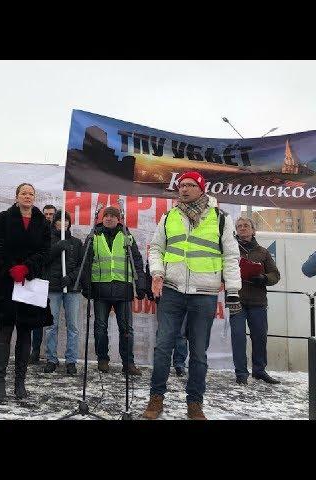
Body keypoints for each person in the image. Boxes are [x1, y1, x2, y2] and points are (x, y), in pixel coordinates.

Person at [143, 171, 241, 420]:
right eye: (181, 185)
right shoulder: (169, 216)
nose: (183, 189)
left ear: (201, 188)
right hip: (172, 291)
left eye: (189, 185)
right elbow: (156, 248)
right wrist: (157, 272)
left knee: (198, 353)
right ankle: (156, 400)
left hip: (204, 294)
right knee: (163, 347)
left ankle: (195, 404)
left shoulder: (220, 218)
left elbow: (231, 256)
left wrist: (233, 290)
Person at [0, 183, 53, 403]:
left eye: (31, 194)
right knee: (3, 333)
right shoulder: (4, 219)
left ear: (35, 197)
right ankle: (0, 384)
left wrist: (27, 268)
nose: (27, 196)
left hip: (29, 285)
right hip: (6, 283)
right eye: (24, 193)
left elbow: (44, 252)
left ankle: (20, 384)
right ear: (16, 196)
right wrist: (12, 268)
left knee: (25, 334)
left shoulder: (42, 222)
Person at [81, 205, 146, 376]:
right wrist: (85, 283)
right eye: (106, 215)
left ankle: (128, 363)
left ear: (119, 219)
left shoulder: (126, 236)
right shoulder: (93, 235)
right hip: (100, 289)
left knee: (126, 330)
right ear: (102, 218)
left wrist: (140, 284)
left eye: (112, 216)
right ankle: (103, 360)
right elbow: (85, 262)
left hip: (122, 289)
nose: (109, 218)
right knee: (100, 327)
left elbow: (136, 261)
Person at [230, 216, 281, 385]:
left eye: (246, 226)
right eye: (239, 226)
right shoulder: (231, 249)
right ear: (236, 230)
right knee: (238, 336)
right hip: (236, 299)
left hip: (258, 301)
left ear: (253, 230)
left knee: (259, 337)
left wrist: (264, 278)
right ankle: (241, 374)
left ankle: (259, 371)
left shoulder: (263, 252)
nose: (242, 228)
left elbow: (276, 275)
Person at [43, 210, 83, 375]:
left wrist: (71, 278)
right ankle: (51, 359)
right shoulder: (46, 241)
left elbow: (82, 265)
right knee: (51, 326)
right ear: (54, 223)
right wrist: (57, 248)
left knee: (72, 326)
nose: (64, 222)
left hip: (71, 289)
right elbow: (43, 261)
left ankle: (71, 361)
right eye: (60, 220)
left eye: (66, 220)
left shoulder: (76, 242)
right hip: (53, 288)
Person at [30, 203, 58, 362]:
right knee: (36, 319)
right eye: (46, 214)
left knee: (52, 321)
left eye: (51, 214)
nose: (48, 217)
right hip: (38, 280)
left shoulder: (60, 234)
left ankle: (50, 354)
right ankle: (35, 351)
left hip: (54, 282)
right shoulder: (37, 232)